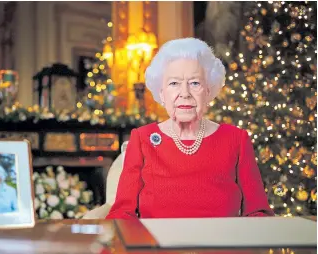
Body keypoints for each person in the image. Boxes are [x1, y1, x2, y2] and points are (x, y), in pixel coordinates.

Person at [106, 38, 274, 219]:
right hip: (157, 245)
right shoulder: (142, 139)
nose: (184, 93)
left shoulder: (236, 139)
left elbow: (258, 213)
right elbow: (122, 214)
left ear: (208, 91)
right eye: (174, 83)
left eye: (195, 83)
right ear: (162, 93)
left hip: (221, 244)